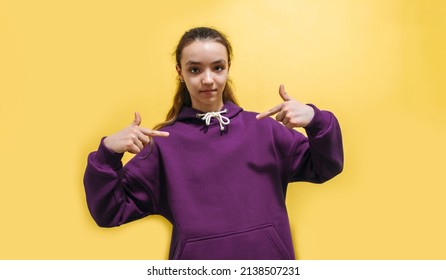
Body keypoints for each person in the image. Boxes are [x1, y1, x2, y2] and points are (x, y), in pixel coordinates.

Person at [83, 27, 344, 260]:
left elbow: (326, 166)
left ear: (228, 67)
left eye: (217, 68)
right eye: (195, 69)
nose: (208, 80)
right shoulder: (164, 146)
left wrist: (315, 119)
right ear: (180, 72)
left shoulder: (264, 129)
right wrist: (107, 153)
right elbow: (109, 213)